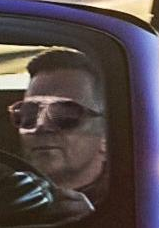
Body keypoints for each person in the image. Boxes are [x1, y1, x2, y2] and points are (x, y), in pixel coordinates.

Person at [13, 48, 108, 205]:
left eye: (64, 115)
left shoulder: (134, 209)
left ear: (106, 135)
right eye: (29, 114)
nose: (40, 126)